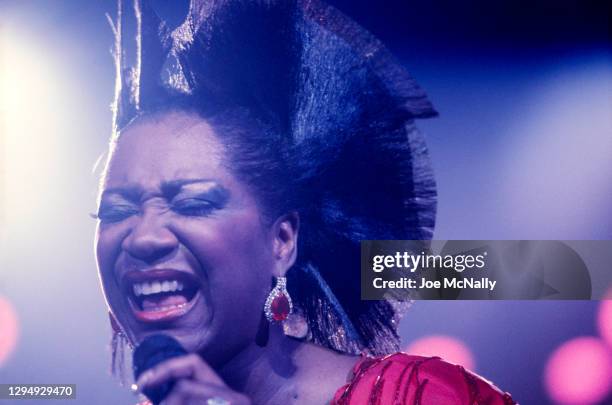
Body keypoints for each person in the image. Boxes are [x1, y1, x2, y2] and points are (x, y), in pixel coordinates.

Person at [95, 0, 516, 403]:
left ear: (281, 242)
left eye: (192, 203)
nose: (144, 237)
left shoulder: (424, 397)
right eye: (117, 211)